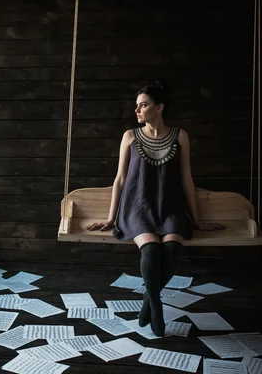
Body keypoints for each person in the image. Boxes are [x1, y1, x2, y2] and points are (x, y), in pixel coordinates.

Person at [86, 80, 225, 337]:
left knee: (172, 248)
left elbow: (186, 180)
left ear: (159, 107)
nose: (137, 110)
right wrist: (110, 218)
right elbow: (120, 179)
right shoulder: (129, 136)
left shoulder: (180, 135)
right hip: (137, 208)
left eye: (143, 105)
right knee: (151, 250)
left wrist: (198, 220)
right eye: (137, 106)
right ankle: (157, 306)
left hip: (169, 207)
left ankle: (149, 301)